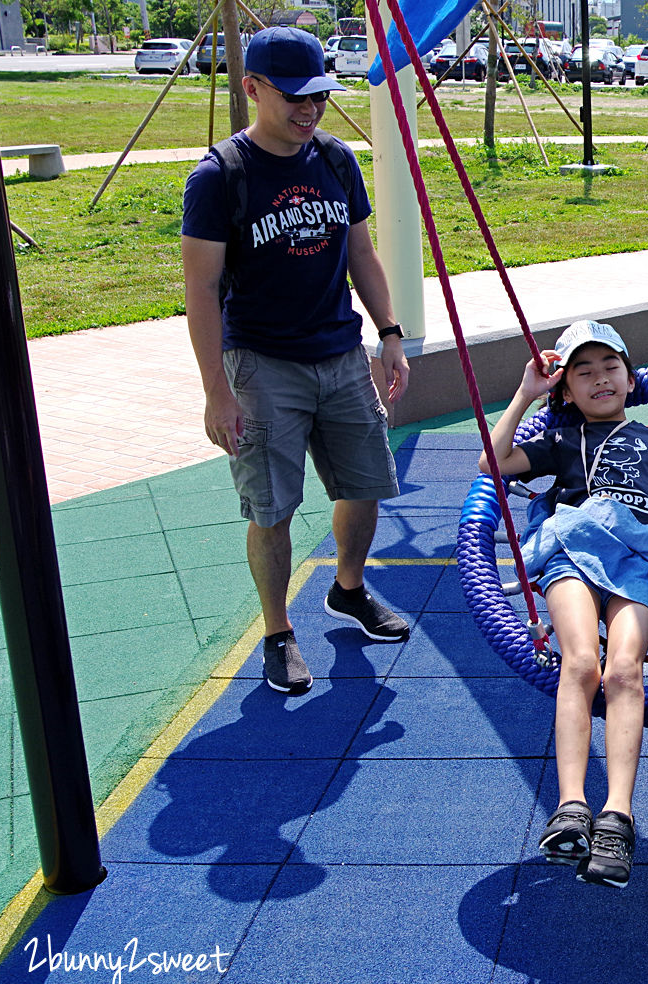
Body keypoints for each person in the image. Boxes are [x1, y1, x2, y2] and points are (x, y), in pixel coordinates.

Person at [181, 26, 412, 698]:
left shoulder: (336, 161)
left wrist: (389, 333)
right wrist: (215, 393)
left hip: (339, 351)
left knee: (365, 483)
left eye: (318, 94)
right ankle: (278, 632)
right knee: (272, 507)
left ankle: (348, 589)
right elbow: (199, 290)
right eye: (294, 97)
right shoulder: (220, 177)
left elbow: (361, 254)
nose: (310, 109)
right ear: (252, 89)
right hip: (261, 364)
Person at [479, 321, 648, 887]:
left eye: (609, 367)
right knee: (580, 663)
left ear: (629, 377)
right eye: (584, 372)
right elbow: (492, 466)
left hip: (639, 561)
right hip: (573, 547)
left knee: (625, 671)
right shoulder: (560, 438)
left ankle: (617, 815)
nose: (600, 379)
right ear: (566, 390)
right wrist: (526, 394)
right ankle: (572, 806)